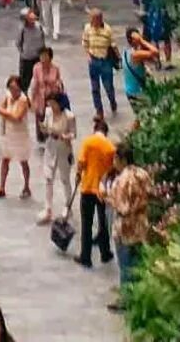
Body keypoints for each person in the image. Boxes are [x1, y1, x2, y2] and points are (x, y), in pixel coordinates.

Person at [104, 148, 155, 292]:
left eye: (115, 159)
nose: (114, 163)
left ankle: (126, 296)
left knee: (125, 264)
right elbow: (150, 193)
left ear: (123, 160)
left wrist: (107, 197)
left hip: (125, 228)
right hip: (141, 224)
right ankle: (136, 292)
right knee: (137, 262)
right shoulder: (142, 174)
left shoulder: (121, 181)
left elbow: (122, 207)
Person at [75, 117, 117, 268]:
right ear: (106, 132)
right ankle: (105, 252)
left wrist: (78, 176)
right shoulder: (111, 147)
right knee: (103, 222)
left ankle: (85, 256)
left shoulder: (88, 142)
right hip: (102, 190)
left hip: (87, 187)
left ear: (95, 130)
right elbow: (113, 169)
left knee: (86, 223)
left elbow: (81, 163)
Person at [37, 92, 77, 225]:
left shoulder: (69, 116)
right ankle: (47, 208)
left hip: (63, 148)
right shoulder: (48, 112)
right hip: (50, 146)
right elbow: (45, 127)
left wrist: (65, 136)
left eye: (53, 103)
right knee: (48, 177)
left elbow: (73, 134)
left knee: (65, 179)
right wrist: (43, 128)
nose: (51, 105)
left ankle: (68, 205)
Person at [0, 75, 33, 199]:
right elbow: (0, 108)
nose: (12, 91)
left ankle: (26, 186)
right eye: (10, 88)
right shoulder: (8, 96)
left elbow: (17, 118)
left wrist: (5, 113)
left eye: (15, 88)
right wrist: (8, 114)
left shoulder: (23, 100)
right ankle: (2, 187)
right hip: (8, 133)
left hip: (20, 135)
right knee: (5, 160)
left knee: (23, 161)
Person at [81, 10, 119, 120]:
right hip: (93, 60)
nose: (92, 22)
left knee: (108, 86)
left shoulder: (107, 30)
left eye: (94, 19)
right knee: (95, 87)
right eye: (91, 19)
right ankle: (99, 111)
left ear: (100, 19)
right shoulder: (87, 28)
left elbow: (113, 45)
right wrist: (88, 56)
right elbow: (85, 43)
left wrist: (118, 58)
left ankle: (112, 100)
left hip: (105, 61)